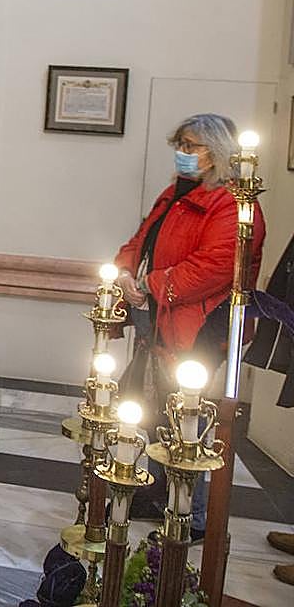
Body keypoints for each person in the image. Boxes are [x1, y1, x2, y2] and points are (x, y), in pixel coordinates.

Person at [113, 113, 266, 534]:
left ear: (216, 152)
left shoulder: (233, 203)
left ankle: (192, 514)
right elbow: (140, 239)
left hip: (199, 326)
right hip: (160, 317)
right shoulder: (176, 193)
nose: (181, 153)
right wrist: (125, 272)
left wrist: (151, 283)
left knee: (190, 418)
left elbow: (214, 267)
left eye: (190, 145)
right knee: (157, 409)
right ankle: (161, 493)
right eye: (179, 144)